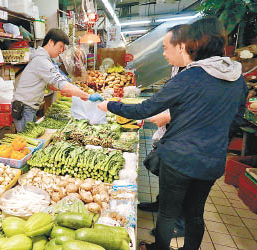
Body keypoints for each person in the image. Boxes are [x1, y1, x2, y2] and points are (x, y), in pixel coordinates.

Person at [97, 16, 247, 250]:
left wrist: (110, 105)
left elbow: (145, 109)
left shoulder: (191, 76)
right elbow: (236, 120)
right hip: (212, 160)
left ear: (196, 43)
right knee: (195, 214)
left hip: (179, 159)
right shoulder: (238, 80)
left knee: (167, 213)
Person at [139, 24, 190, 239]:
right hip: (170, 133)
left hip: (184, 141)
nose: (163, 53)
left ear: (181, 46)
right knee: (166, 179)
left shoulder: (196, 73)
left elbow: (194, 109)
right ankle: (160, 205)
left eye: (165, 47)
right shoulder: (178, 68)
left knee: (181, 185)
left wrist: (168, 116)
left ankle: (179, 224)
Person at [12, 28, 103, 132]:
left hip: (29, 107)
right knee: (25, 141)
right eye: (60, 46)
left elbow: (50, 85)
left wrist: (68, 90)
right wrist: (88, 96)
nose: (61, 50)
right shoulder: (41, 61)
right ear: (51, 42)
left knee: (30, 137)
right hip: (24, 108)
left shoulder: (45, 59)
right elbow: (61, 83)